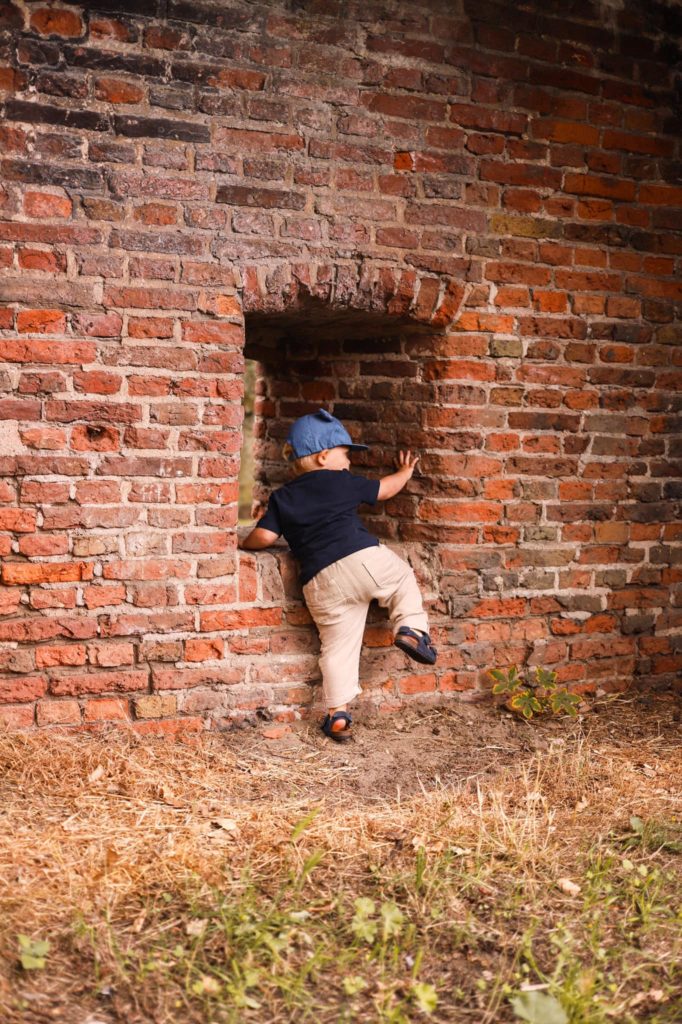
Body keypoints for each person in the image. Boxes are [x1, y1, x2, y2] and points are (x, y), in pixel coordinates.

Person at [239, 409, 437, 742]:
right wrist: (404, 472)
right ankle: (411, 629)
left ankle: (338, 712)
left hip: (318, 581)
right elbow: (385, 490)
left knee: (336, 647)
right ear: (323, 456)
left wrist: (242, 541)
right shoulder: (340, 480)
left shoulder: (282, 498)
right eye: (346, 455)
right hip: (362, 558)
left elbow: (265, 538)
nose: (349, 463)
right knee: (402, 578)